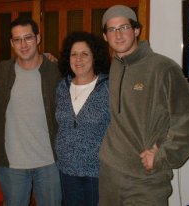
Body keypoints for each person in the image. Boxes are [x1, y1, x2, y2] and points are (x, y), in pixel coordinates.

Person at [99, 5, 189, 206]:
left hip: (146, 179)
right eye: (112, 29)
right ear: (105, 36)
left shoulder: (162, 68)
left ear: (136, 30)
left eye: (124, 27)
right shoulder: (114, 65)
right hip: (110, 173)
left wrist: (163, 154)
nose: (118, 35)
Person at [0, 17, 62, 206]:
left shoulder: (56, 71)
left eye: (28, 38)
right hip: (12, 165)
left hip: (49, 163)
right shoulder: (0, 71)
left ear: (38, 38)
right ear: (11, 43)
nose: (23, 45)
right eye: (17, 39)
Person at [55, 31, 110, 206]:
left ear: (95, 57)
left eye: (85, 54)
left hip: (96, 172)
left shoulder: (108, 87)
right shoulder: (61, 87)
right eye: (74, 54)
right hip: (66, 169)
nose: (78, 59)